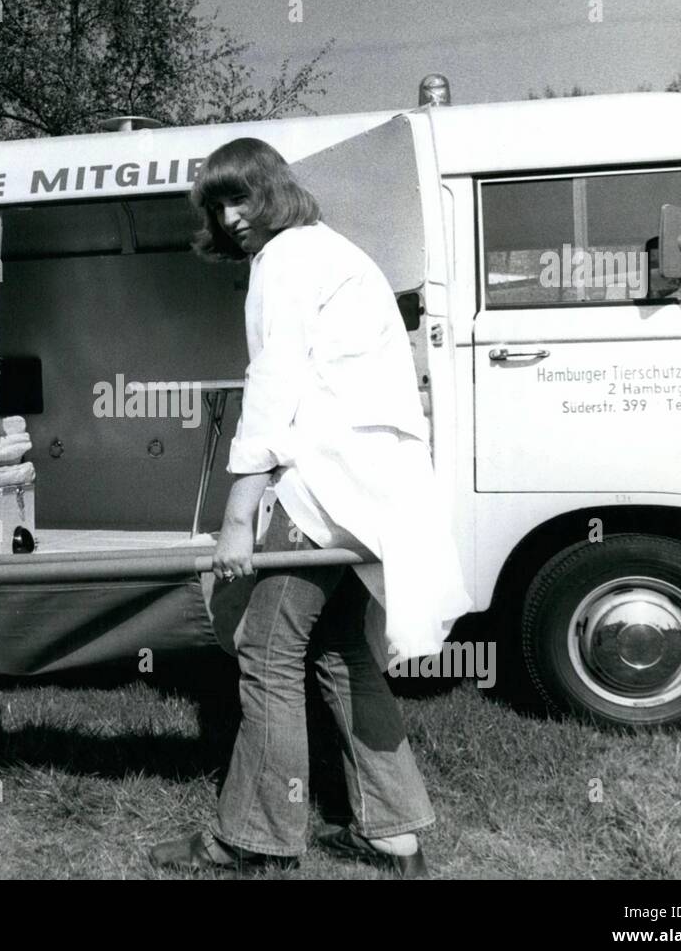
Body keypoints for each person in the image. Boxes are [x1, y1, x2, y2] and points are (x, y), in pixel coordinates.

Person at [149, 138, 472, 876]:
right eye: (217, 205)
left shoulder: (286, 258)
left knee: (266, 649)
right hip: (376, 481)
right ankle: (392, 833)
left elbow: (273, 384)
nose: (231, 217)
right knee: (340, 648)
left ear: (274, 191)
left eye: (241, 197)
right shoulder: (337, 252)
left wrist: (239, 513)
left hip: (328, 482)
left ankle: (253, 838)